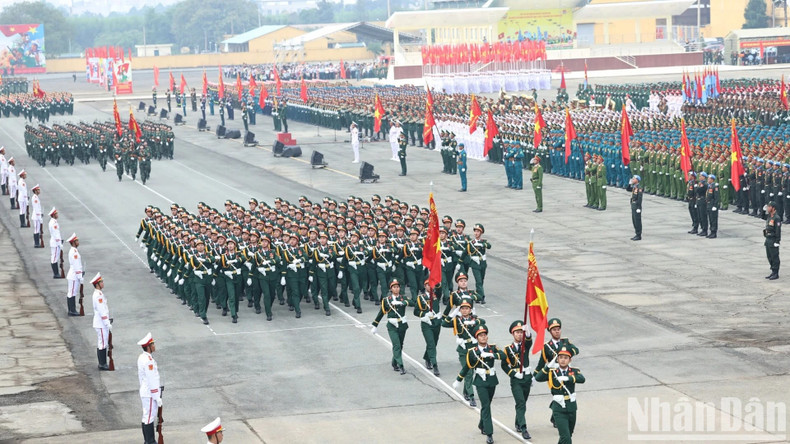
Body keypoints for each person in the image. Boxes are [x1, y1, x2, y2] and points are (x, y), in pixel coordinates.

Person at [452, 324, 505, 444]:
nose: (483, 337)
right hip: (480, 381)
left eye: (485, 335)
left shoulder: (492, 348)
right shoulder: (473, 352)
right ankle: (489, 433)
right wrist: (458, 380)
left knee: (488, 404)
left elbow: (503, 355)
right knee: (486, 405)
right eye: (480, 335)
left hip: (492, 380)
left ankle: (482, 424)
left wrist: (492, 355)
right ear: (477, 338)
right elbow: (467, 367)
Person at [534, 346, 586, 444]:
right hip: (558, 408)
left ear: (570, 360)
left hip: (571, 407)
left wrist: (568, 378)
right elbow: (538, 378)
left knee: (568, 435)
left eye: (565, 358)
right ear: (557, 359)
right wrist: (548, 366)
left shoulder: (573, 371)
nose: (563, 360)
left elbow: (582, 379)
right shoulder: (552, 372)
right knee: (566, 437)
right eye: (560, 357)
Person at [370, 279, 412, 375]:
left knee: (400, 345)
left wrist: (403, 303)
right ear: (391, 289)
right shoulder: (386, 300)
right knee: (396, 345)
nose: (396, 289)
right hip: (392, 326)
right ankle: (401, 365)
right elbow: (381, 313)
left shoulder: (403, 298)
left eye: (397, 287)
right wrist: (375, 325)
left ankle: (394, 363)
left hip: (402, 325)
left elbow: (413, 303)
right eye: (394, 287)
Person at [501, 320, 534, 440]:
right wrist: (513, 374)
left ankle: (518, 422)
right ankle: (524, 428)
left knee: (522, 403)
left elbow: (529, 342)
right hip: (516, 380)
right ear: (512, 334)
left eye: (521, 332)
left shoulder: (525, 346)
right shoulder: (508, 349)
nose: (520, 334)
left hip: (526, 378)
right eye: (517, 332)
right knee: (520, 402)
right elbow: (504, 365)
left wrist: (528, 332)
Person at [413, 279, 442, 376]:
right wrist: (424, 314)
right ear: (425, 286)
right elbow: (416, 311)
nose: (430, 286)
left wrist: (436, 280)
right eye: (428, 285)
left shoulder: (436, 295)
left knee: (434, 342)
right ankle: (435, 365)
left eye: (431, 284)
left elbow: (439, 288)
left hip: (436, 322)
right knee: (431, 343)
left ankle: (427, 357)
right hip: (426, 323)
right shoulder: (421, 298)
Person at [137, 332, 161, 444]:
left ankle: (148, 440)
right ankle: (150, 441)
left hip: (146, 391)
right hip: (150, 393)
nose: (154, 346)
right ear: (148, 347)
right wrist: (157, 396)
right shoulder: (148, 361)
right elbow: (152, 379)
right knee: (149, 417)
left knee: (146, 415)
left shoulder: (143, 357)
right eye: (153, 344)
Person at [91, 272, 112, 371]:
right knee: (102, 343)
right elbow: (101, 310)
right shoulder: (98, 295)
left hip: (101, 322)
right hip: (101, 323)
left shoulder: (99, 294)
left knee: (103, 342)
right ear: (97, 284)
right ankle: (102, 364)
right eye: (101, 282)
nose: (103, 283)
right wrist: (107, 322)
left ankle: (102, 363)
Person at [65, 233, 82, 316]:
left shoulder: (74, 251)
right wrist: (80, 276)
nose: (78, 242)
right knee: (71, 293)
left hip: (74, 274)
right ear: (73, 242)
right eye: (77, 241)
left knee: (73, 292)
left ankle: (72, 309)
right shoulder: (74, 252)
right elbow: (76, 265)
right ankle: (72, 310)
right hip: (74, 275)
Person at [764, 201, 781, 280]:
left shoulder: (776, 218)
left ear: (773, 208)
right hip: (768, 238)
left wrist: (777, 241)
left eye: (769, 207)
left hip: (773, 239)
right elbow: (762, 217)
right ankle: (772, 271)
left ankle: (776, 272)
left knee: (774, 257)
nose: (768, 208)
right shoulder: (769, 216)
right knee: (769, 256)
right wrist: (763, 211)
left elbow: (778, 230)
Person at [626, 175, 643, 240]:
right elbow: (628, 189)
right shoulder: (634, 186)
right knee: (634, 220)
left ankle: (638, 235)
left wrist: (638, 208)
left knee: (637, 221)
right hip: (633, 205)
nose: (632, 179)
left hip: (636, 206)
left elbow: (639, 198)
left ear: (637, 180)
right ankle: (636, 233)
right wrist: (629, 184)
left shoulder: (639, 188)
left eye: (634, 179)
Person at [48, 207, 62, 278]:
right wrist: (59, 243)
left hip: (54, 242)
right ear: (53, 215)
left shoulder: (52, 222)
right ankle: (56, 273)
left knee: (54, 257)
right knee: (54, 258)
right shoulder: (54, 223)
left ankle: (56, 273)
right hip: (55, 243)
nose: (57, 214)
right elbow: (56, 234)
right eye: (56, 213)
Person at [706, 173, 720, 239]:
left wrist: (715, 205)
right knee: (710, 219)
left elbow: (717, 197)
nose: (708, 180)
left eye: (709, 179)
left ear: (712, 179)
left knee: (714, 219)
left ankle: (714, 232)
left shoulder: (715, 186)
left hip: (713, 205)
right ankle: (711, 231)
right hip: (709, 204)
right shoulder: (710, 186)